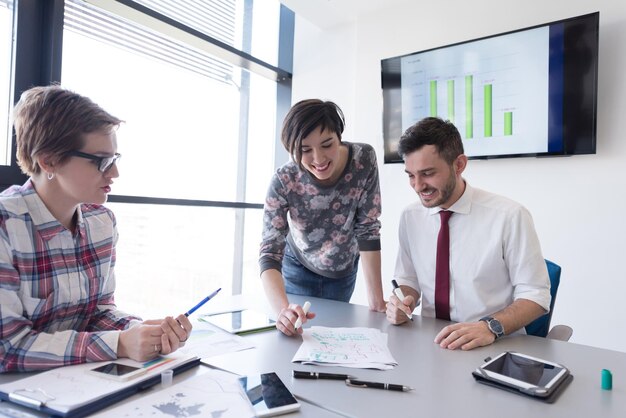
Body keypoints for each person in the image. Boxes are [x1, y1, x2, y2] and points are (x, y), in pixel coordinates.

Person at [0, 85, 191, 373]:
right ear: (49, 160)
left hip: (75, 384)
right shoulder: (6, 225)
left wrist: (142, 331)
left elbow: (98, 314)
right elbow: (7, 348)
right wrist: (119, 344)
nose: (114, 173)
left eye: (114, 159)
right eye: (101, 161)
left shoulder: (101, 222)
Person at [386, 117, 551, 350]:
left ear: (459, 165)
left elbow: (536, 296)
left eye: (428, 173)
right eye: (411, 175)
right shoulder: (410, 217)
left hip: (494, 345)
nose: (418, 186)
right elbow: (407, 279)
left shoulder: (509, 216)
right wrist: (403, 302)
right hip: (433, 344)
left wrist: (488, 327)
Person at [260, 99, 386, 336]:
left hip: (343, 269)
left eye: (327, 144)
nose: (318, 159)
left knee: (332, 339)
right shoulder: (284, 180)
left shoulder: (363, 159)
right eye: (305, 150)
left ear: (339, 136)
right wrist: (282, 311)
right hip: (297, 266)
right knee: (293, 336)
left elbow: (368, 228)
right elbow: (269, 252)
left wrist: (377, 301)